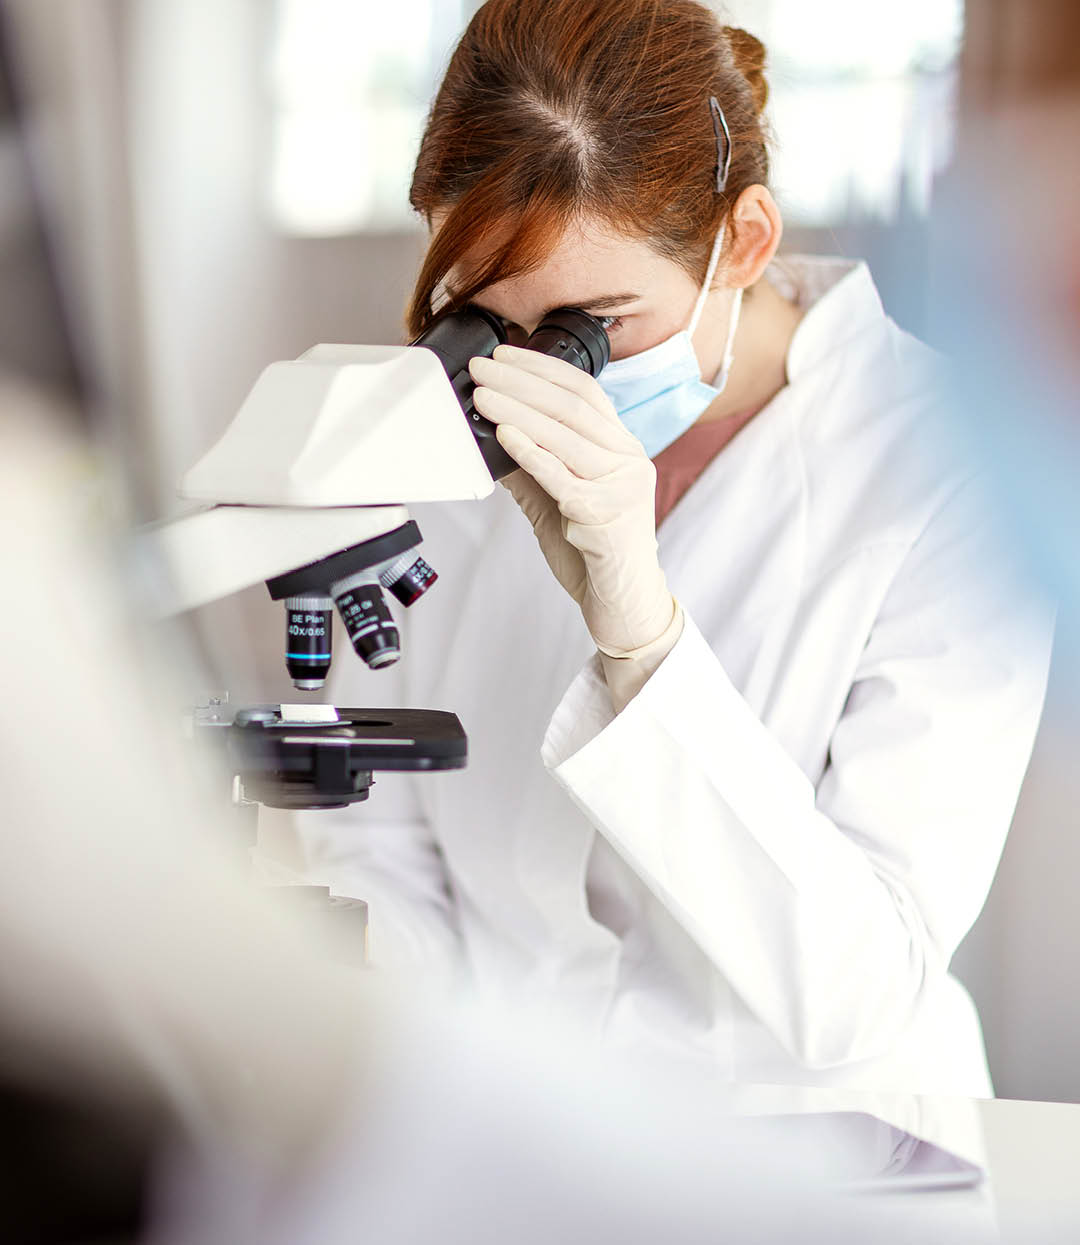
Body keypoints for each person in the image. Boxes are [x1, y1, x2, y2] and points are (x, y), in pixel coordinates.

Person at [298, 0, 1053, 1097]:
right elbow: (380, 840)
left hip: (819, 1148)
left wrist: (644, 644)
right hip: (509, 1128)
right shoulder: (448, 429)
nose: (538, 377)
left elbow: (862, 990)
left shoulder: (950, 470)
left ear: (744, 242)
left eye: (597, 324)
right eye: (487, 319)